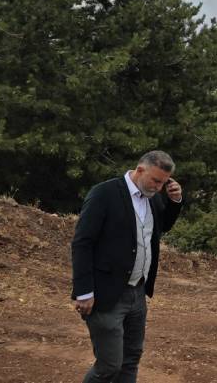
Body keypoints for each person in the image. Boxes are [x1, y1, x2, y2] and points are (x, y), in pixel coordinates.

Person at [71, 150, 183, 383]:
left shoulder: (152, 196)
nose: (158, 188)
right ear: (140, 169)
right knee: (110, 366)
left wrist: (174, 202)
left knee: (131, 360)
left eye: (163, 183)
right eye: (155, 180)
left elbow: (161, 227)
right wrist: (84, 291)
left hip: (137, 293)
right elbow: (82, 242)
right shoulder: (104, 193)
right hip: (105, 294)